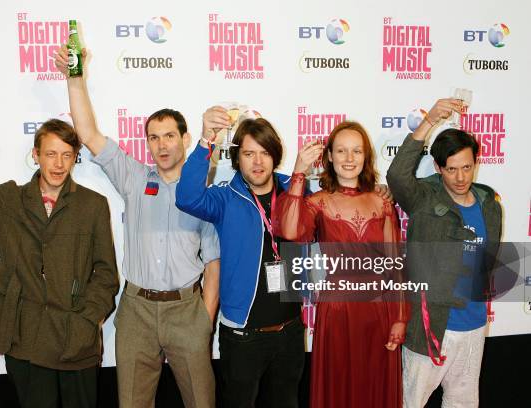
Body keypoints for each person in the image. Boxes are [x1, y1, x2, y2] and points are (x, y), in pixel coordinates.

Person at [53, 47, 220, 408]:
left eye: (170, 136)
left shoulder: (203, 192)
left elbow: (213, 262)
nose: (162, 145)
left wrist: (203, 319)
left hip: (186, 310)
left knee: (201, 402)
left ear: (185, 139)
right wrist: (75, 77)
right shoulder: (133, 177)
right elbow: (87, 132)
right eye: (154, 137)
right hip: (136, 311)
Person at [0, 89, 119, 408]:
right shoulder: (8, 200)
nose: (59, 163)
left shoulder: (93, 205)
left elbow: (106, 274)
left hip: (76, 340)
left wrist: (87, 319)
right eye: (51, 154)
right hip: (26, 339)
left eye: (67, 155)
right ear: (35, 155)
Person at [176, 108, 306, 408]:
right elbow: (187, 197)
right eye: (249, 153)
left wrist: (380, 191)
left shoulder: (295, 189)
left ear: (275, 155)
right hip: (243, 335)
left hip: (290, 329)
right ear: (237, 159)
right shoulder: (225, 198)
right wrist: (207, 139)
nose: (257, 161)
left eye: (264, 153)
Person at [274, 121, 408, 408]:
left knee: (375, 387)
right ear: (330, 157)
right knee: (339, 387)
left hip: (378, 310)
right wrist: (299, 171)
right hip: (337, 310)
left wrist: (398, 317)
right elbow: (288, 230)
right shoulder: (318, 203)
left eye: (357, 151)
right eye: (342, 151)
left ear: (366, 157)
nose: (349, 159)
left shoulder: (382, 203)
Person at [386, 98, 502, 407]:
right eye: (452, 170)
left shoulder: (489, 203)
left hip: (475, 326)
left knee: (463, 403)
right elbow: (397, 177)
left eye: (467, 167)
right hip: (431, 327)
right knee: (412, 402)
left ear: (476, 163)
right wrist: (429, 122)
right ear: (438, 168)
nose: (461, 178)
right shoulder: (424, 197)